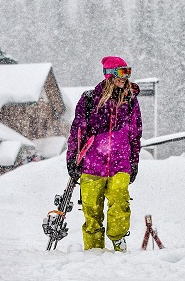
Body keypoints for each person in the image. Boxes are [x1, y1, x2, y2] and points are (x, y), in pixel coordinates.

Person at [66, 56, 142, 252]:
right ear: (110, 75)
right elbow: (77, 130)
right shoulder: (90, 100)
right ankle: (93, 251)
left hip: (120, 162)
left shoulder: (130, 101)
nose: (125, 77)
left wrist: (134, 162)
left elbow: (135, 134)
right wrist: (72, 159)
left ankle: (118, 240)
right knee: (92, 210)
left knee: (119, 200)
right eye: (122, 72)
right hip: (92, 163)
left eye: (128, 72)